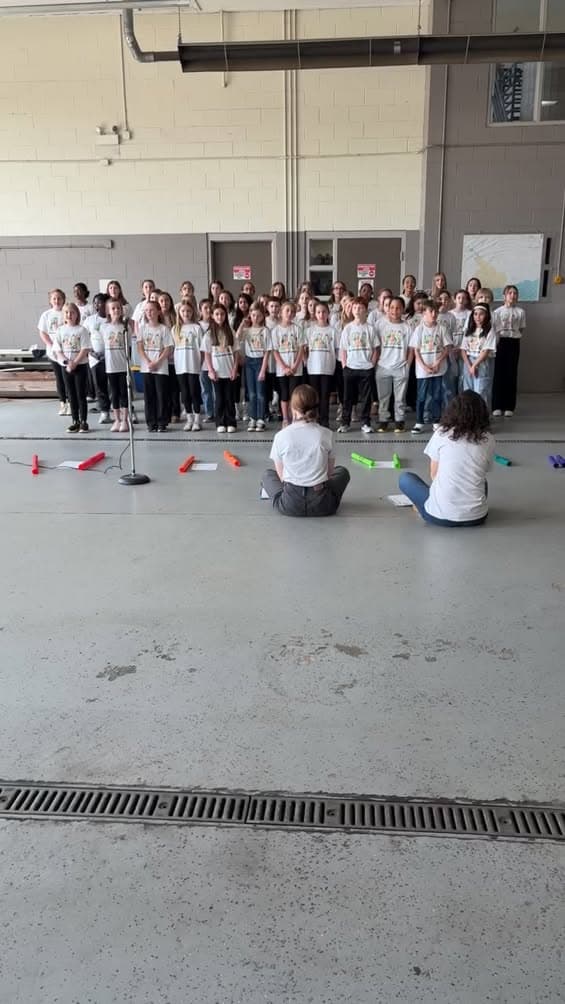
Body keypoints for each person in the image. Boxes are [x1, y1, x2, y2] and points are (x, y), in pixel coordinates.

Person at [399, 391, 494, 527]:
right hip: (477, 518)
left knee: (405, 478)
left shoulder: (442, 433)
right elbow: (484, 471)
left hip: (438, 516)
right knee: (482, 482)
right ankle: (470, 509)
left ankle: (422, 505)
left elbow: (434, 475)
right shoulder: (488, 438)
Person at [261, 384, 350, 517]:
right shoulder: (327, 434)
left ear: (293, 408)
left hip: (289, 505)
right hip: (323, 505)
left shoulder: (281, 436)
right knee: (342, 472)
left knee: (267, 475)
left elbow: (282, 477)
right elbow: (329, 473)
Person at [338, 296, 380, 434]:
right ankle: (345, 422)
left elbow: (376, 349)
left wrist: (371, 364)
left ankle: (365, 422)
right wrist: (344, 365)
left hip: (366, 368)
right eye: (355, 307)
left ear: (366, 311)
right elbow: (343, 349)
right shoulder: (348, 328)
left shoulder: (370, 329)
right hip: (350, 368)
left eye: (360, 307)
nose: (357, 310)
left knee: (366, 398)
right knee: (347, 397)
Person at [410, 299, 451, 434]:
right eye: (430, 311)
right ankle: (419, 421)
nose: (434, 314)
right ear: (424, 313)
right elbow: (416, 350)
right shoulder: (419, 330)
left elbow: (446, 348)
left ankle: (436, 420)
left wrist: (437, 362)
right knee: (421, 396)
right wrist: (424, 366)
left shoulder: (441, 328)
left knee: (437, 395)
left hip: (438, 369)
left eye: (436, 311)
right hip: (423, 370)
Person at [51, 302, 91, 433]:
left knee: (80, 394)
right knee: (71, 394)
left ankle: (84, 421)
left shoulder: (81, 330)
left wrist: (75, 362)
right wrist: (67, 362)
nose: (69, 315)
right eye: (66, 312)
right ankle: (75, 421)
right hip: (66, 367)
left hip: (80, 366)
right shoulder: (60, 330)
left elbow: (85, 348)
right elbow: (57, 349)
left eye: (72, 312)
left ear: (76, 314)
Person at [375, 296, 413, 433]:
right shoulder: (380, 324)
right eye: (392, 307)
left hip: (400, 366)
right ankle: (383, 420)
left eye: (398, 308)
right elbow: (376, 346)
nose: (394, 311)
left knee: (400, 397)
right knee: (383, 397)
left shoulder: (407, 327)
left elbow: (411, 349)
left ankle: (399, 421)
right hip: (383, 366)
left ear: (403, 310)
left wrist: (407, 365)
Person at [202, 303, 240, 433]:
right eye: (217, 314)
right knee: (219, 398)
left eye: (222, 314)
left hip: (229, 372)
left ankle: (231, 422)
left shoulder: (231, 332)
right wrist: (211, 370)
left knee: (230, 398)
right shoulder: (208, 334)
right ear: (212, 315)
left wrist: (235, 369)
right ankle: (220, 422)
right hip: (217, 373)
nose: (220, 316)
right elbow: (207, 354)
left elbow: (236, 353)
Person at [137, 299, 174, 432]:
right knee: (149, 396)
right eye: (146, 310)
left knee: (161, 395)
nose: (149, 313)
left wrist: (157, 362)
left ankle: (162, 421)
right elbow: (140, 348)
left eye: (152, 310)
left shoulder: (164, 329)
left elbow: (168, 348)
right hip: (147, 368)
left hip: (160, 368)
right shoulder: (142, 329)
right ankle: (151, 422)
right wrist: (148, 362)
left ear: (158, 312)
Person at [492, 284, 526, 417]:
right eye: (510, 293)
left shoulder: (521, 312)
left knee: (511, 373)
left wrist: (514, 336)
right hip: (501, 342)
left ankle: (509, 406)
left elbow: (521, 329)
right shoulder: (497, 312)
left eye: (515, 293)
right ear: (504, 296)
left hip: (513, 343)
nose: (513, 295)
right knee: (499, 373)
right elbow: (495, 330)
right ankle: (497, 405)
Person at [271, 300, 306, 427]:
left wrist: (295, 365)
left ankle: (295, 417)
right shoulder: (275, 331)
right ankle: (285, 418)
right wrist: (284, 367)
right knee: (284, 394)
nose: (290, 313)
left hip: (296, 368)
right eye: (287, 310)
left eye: (292, 311)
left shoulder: (297, 329)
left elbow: (301, 348)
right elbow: (275, 351)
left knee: (294, 394)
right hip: (282, 370)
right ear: (281, 313)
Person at [238, 301, 270, 431]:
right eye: (253, 315)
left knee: (260, 393)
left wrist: (263, 369)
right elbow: (237, 337)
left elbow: (268, 351)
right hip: (249, 362)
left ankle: (261, 418)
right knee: (251, 393)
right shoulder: (247, 330)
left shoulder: (265, 331)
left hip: (260, 361)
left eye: (258, 315)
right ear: (250, 315)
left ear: (262, 316)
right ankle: (253, 418)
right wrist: (242, 324)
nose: (255, 318)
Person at [172, 300, 203, 432]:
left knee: (194, 392)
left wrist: (200, 363)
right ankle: (189, 419)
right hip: (180, 366)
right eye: (183, 311)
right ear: (179, 312)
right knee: (184, 393)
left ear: (193, 312)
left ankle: (197, 419)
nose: (186, 313)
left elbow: (201, 348)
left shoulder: (197, 328)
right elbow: (173, 347)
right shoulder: (175, 329)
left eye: (189, 311)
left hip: (193, 365)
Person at [305, 301, 336, 428]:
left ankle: (325, 420)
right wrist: (305, 361)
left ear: (328, 313)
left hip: (327, 368)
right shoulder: (309, 330)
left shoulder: (333, 331)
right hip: (313, 368)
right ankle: (314, 418)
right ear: (315, 314)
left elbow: (337, 349)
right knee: (314, 396)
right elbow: (304, 349)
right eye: (318, 312)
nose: (321, 314)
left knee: (325, 396)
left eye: (324, 312)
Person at [460, 303, 497, 408]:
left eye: (481, 314)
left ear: (486, 316)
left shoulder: (490, 331)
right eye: (475, 314)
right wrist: (469, 366)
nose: (478, 317)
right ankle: (469, 416)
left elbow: (485, 351)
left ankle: (482, 417)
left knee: (481, 390)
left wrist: (474, 365)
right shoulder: (469, 331)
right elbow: (463, 350)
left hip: (481, 362)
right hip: (468, 362)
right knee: (468, 391)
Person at [102, 299, 130, 432]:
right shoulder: (104, 327)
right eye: (113, 308)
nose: (116, 310)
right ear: (108, 311)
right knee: (114, 394)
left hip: (123, 366)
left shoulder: (125, 327)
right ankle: (117, 420)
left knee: (124, 393)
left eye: (118, 308)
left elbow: (128, 347)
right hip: (110, 366)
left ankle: (125, 420)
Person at [38, 288, 67, 415]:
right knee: (59, 378)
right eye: (54, 298)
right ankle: (63, 403)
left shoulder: (66, 312)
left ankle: (72, 403)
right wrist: (52, 345)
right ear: (50, 300)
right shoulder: (46, 315)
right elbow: (43, 332)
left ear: (63, 299)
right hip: (53, 353)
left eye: (59, 298)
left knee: (68, 378)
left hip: (67, 352)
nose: (57, 300)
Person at [84, 293, 111, 424]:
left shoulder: (113, 319)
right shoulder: (89, 320)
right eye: (95, 303)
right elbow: (84, 338)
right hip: (95, 359)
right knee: (100, 387)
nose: (96, 305)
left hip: (112, 358)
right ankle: (105, 412)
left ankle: (125, 411)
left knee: (116, 387)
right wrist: (91, 351)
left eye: (99, 302)